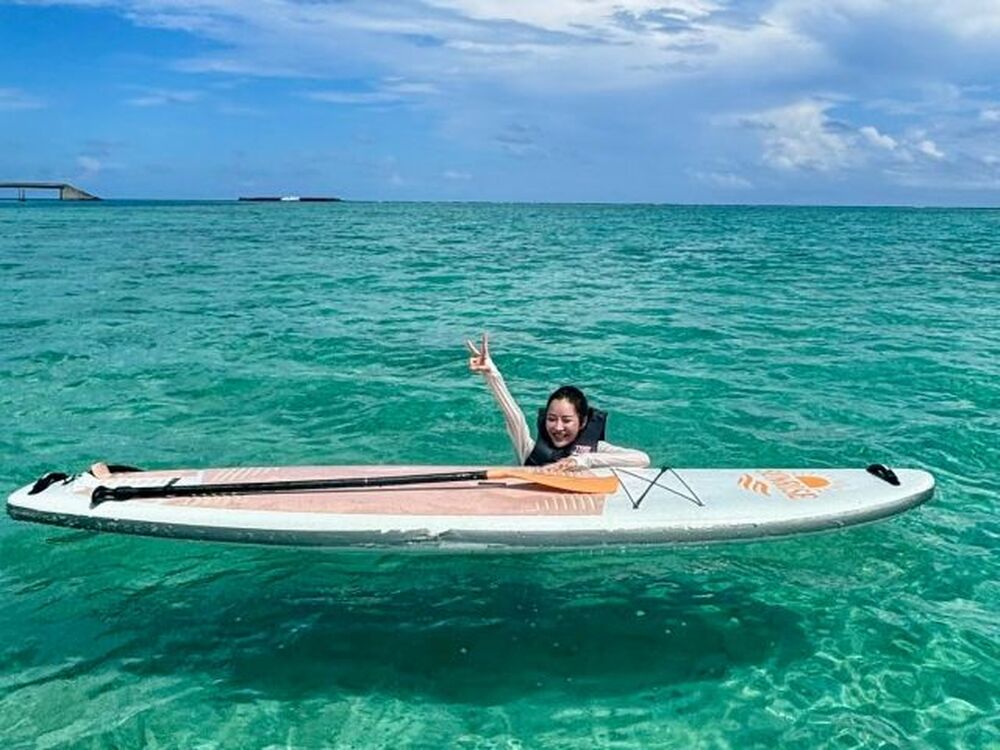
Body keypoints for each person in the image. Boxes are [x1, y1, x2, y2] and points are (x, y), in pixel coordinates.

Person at [466, 333, 650, 471]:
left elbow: (642, 459)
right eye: (552, 419)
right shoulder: (528, 449)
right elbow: (513, 416)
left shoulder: (596, 449)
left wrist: (584, 460)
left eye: (567, 420)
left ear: (582, 422)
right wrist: (492, 374)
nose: (558, 427)